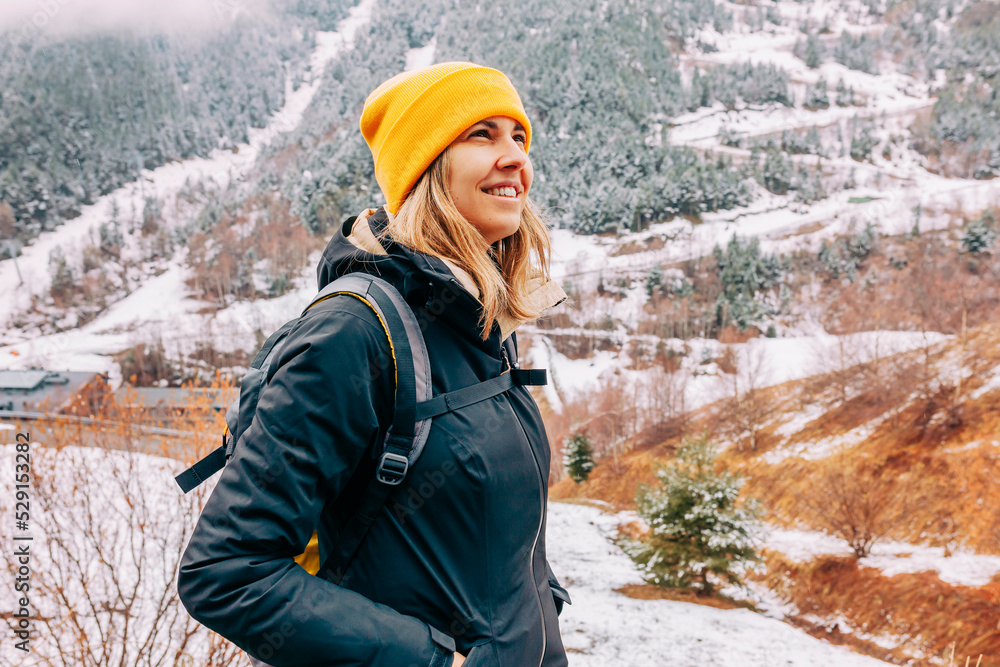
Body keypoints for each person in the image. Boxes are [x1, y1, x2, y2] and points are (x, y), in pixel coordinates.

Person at [177, 62, 571, 667]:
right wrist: (434, 659)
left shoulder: (481, 323)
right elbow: (226, 572)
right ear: (426, 167)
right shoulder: (354, 335)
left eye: (519, 136)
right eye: (482, 134)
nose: (517, 157)